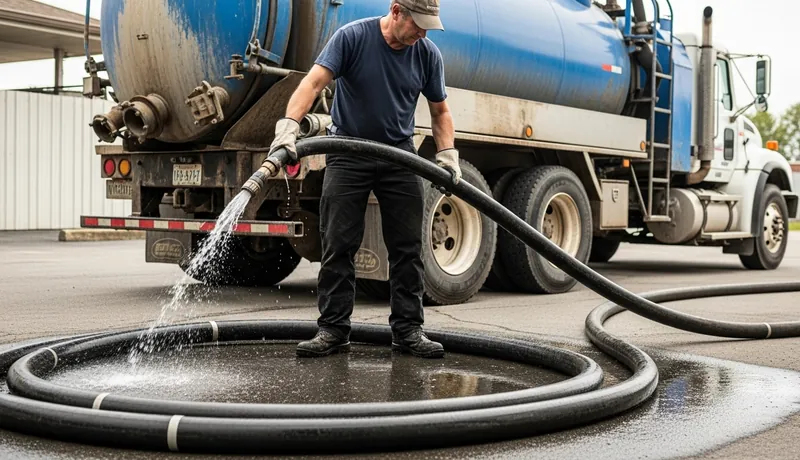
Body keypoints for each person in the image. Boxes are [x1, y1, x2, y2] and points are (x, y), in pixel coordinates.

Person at [268, 0, 461, 359]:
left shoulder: (427, 54)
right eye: (417, 24)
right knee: (339, 244)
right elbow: (312, 83)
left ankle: (408, 331)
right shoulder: (352, 37)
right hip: (348, 154)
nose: (422, 33)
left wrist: (448, 154)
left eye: (428, 27)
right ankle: (334, 330)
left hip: (400, 156)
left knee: (407, 248)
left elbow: (440, 110)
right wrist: (289, 127)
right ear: (396, 10)